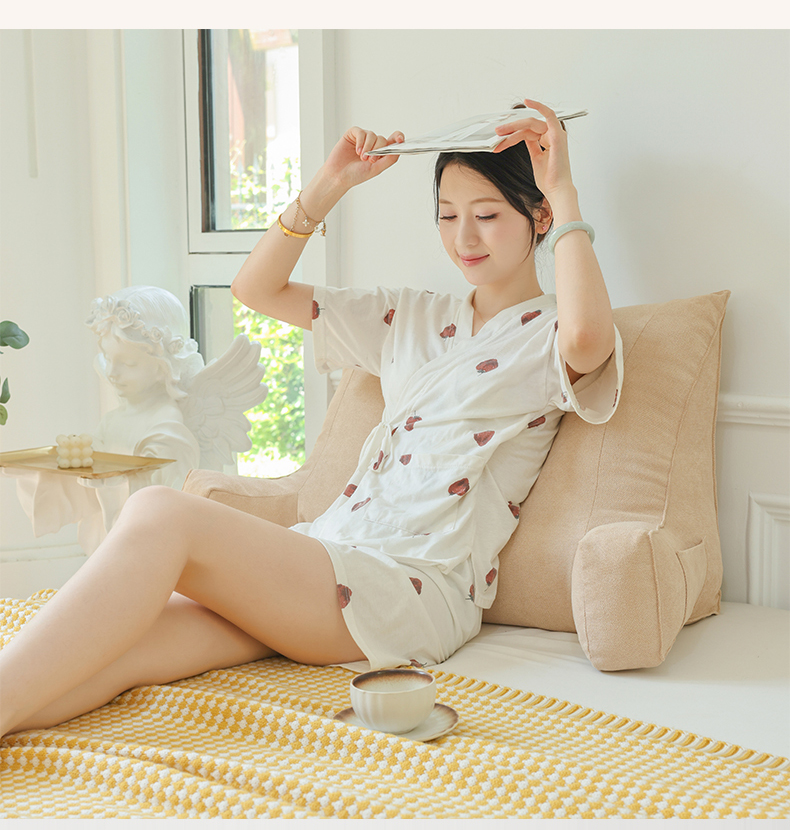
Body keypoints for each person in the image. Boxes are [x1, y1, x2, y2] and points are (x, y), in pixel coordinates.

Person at [0, 99, 621, 738]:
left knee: (159, 511)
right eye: (447, 215)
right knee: (125, 648)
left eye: (487, 216)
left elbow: (586, 341)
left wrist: (563, 190)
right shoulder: (411, 317)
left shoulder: (549, 335)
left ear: (538, 216)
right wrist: (331, 184)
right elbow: (256, 290)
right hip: (326, 552)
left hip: (411, 588)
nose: (464, 238)